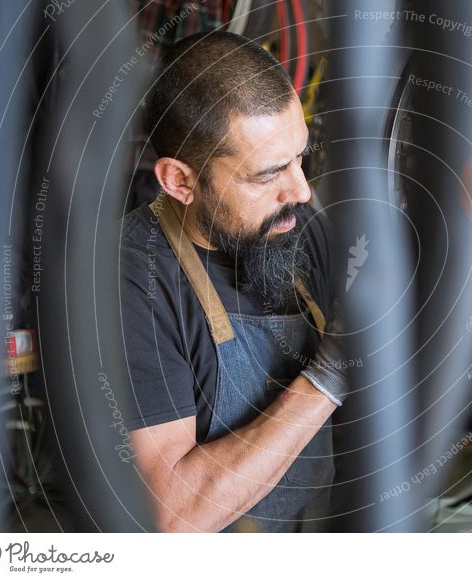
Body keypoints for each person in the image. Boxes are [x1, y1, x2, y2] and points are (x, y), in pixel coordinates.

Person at [119, 31, 347, 533]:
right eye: (266, 175)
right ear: (180, 181)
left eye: (300, 158)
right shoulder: (134, 279)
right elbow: (171, 515)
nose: (302, 191)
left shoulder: (298, 227)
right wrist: (328, 378)